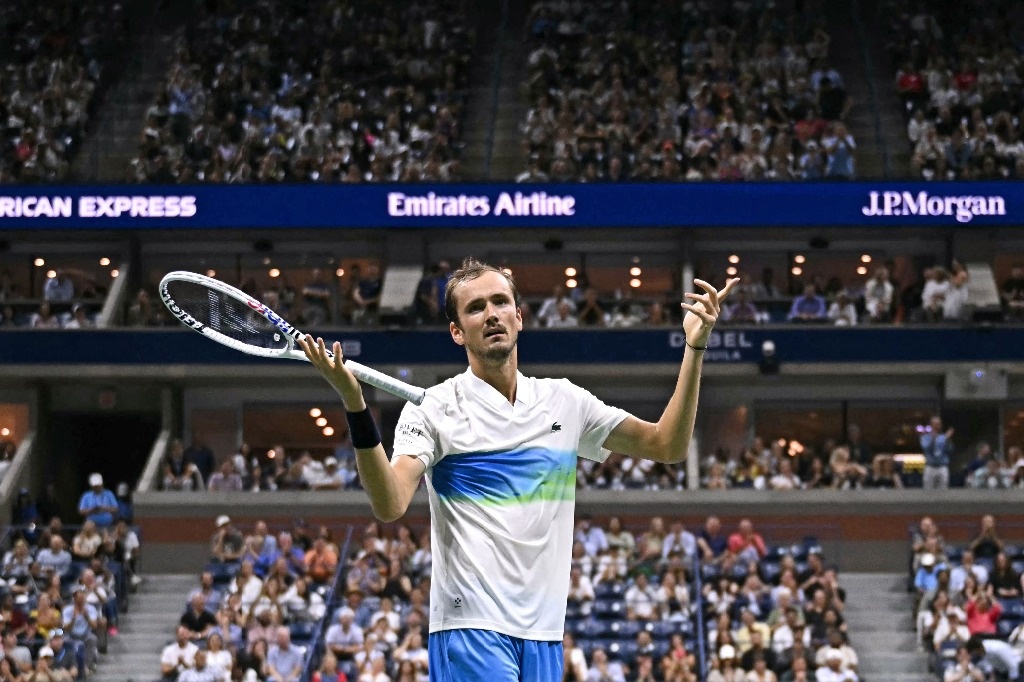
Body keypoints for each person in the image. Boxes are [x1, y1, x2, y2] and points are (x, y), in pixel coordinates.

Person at [298, 258, 736, 681]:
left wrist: (694, 348)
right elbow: (390, 503)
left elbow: (668, 445)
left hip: (543, 633)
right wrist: (355, 407)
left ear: (519, 317)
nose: (491, 314)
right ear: (456, 331)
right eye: (475, 308)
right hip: (470, 627)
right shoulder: (432, 411)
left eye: (499, 302)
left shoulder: (565, 401)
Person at [921, 415, 954, 489]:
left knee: (943, 491)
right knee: (928, 491)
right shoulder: (925, 437)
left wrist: (948, 439)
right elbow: (926, 448)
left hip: (942, 467)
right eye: (935, 424)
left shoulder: (944, 437)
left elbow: (950, 450)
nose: (937, 426)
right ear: (931, 425)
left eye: (938, 424)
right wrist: (933, 439)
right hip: (930, 467)